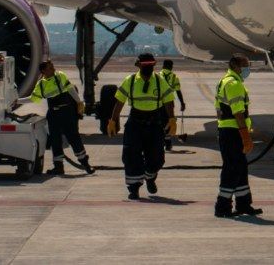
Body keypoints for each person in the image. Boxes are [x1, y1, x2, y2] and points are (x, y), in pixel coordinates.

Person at [107, 53, 176, 200]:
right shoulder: (130, 81)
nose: (148, 68)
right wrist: (113, 120)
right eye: (145, 65)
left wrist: (172, 119)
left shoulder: (160, 81)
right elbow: (119, 102)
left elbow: (169, 100)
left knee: (157, 157)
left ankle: (150, 177)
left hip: (154, 123)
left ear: (154, 65)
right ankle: (134, 188)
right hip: (135, 123)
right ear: (138, 65)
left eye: (150, 65)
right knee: (131, 156)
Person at [15, 60, 94, 175]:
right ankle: (58, 167)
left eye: (52, 66)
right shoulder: (41, 84)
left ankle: (86, 164)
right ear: (43, 71)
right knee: (55, 140)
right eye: (50, 67)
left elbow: (70, 89)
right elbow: (33, 99)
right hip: (53, 114)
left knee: (74, 137)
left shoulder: (60, 76)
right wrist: (17, 101)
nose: (53, 69)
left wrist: (79, 102)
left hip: (67, 112)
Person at [214, 54, 262, 218]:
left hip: (229, 130)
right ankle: (222, 206)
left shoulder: (225, 81)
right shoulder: (233, 84)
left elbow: (219, 110)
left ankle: (243, 204)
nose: (247, 69)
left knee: (240, 168)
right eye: (245, 66)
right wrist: (244, 135)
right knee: (232, 169)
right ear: (235, 66)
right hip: (233, 132)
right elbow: (238, 112)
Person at [160, 59, 186, 151]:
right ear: (171, 67)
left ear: (163, 66)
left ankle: (159, 142)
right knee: (169, 122)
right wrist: (182, 103)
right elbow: (178, 91)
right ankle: (168, 144)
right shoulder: (174, 77)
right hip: (169, 103)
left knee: (159, 122)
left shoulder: (157, 76)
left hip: (158, 103)